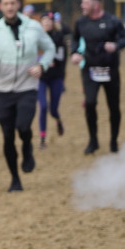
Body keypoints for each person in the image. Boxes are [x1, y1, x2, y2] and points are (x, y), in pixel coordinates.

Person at [0, 0, 55, 192]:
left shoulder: (34, 27)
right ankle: (15, 179)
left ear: (18, 4)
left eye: (13, 3)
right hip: (3, 90)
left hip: (27, 86)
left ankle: (27, 148)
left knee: (23, 126)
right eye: (5, 3)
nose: (9, 6)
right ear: (0, 7)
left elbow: (50, 48)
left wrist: (42, 66)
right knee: (8, 136)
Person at [70, 0, 125, 153]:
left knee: (113, 106)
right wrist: (75, 53)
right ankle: (93, 141)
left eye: (85, 3)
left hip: (110, 70)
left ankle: (113, 141)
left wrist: (116, 46)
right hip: (90, 69)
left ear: (96, 5)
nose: (82, 6)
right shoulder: (80, 22)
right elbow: (75, 39)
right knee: (90, 103)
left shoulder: (112, 21)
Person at [38, 12, 69, 148]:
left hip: (56, 77)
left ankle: (58, 119)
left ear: (53, 23)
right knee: (43, 107)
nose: (47, 23)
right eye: (44, 21)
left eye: (49, 21)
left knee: (53, 109)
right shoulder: (36, 38)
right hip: (41, 78)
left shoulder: (59, 37)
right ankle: (43, 139)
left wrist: (51, 60)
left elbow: (62, 59)